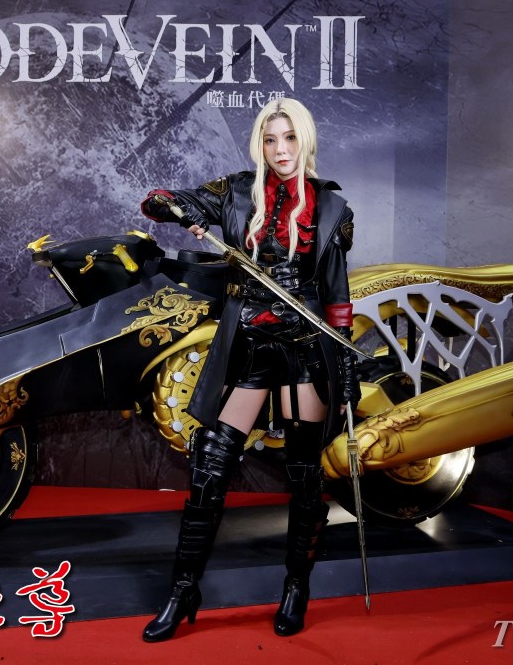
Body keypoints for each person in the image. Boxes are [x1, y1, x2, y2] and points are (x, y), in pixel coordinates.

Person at [138, 97, 358, 641]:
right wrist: (182, 212)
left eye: (290, 138)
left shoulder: (332, 209)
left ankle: (296, 586)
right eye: (270, 139)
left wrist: (347, 361)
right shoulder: (235, 191)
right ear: (259, 143)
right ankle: (183, 590)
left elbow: (336, 294)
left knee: (305, 475)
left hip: (307, 348)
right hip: (251, 346)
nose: (281, 150)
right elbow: (158, 202)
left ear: (305, 139)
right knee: (210, 469)